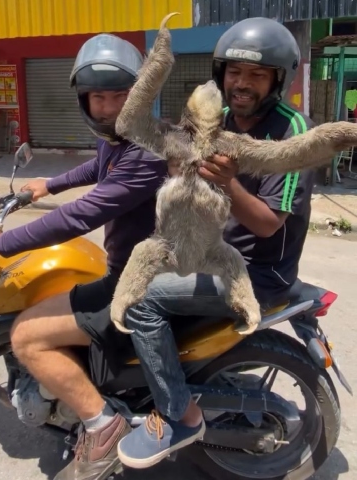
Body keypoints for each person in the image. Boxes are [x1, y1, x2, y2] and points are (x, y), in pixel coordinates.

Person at [115, 17, 316, 469]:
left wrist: (228, 182)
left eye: (256, 75)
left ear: (278, 80)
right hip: (202, 250)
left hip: (256, 272)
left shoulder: (291, 131)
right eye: (234, 72)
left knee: (141, 303)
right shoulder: (217, 117)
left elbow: (268, 224)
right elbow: (168, 151)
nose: (241, 84)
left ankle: (178, 415)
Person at [0, 34, 168, 480]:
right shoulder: (122, 138)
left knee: (27, 336)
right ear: (85, 100)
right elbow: (99, 166)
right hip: (135, 269)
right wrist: (49, 184)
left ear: (140, 94)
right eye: (99, 98)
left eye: (120, 96)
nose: (110, 107)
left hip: (140, 285)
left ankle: (103, 427)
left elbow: (82, 215)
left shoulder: (148, 150)